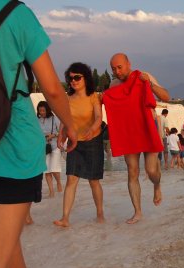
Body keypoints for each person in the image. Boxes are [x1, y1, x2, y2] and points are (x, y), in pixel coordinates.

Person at [0, 1, 77, 268]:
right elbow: (51, 88)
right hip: (10, 147)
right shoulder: (14, 13)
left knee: (4, 243)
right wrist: (70, 125)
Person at [104, 53, 169, 224]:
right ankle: (138, 212)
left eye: (119, 67)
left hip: (147, 127)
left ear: (128, 64)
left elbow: (166, 97)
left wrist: (150, 84)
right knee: (132, 171)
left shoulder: (143, 76)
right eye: (113, 69)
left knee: (151, 170)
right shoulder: (114, 84)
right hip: (128, 131)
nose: (117, 71)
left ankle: (157, 185)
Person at [54, 62, 104, 227]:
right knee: (71, 180)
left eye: (77, 77)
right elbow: (65, 120)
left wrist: (92, 129)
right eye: (70, 78)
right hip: (75, 143)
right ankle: (65, 218)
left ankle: (100, 213)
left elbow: (98, 117)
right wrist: (61, 135)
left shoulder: (93, 97)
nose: (73, 81)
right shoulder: (68, 99)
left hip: (93, 142)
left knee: (93, 181)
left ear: (85, 78)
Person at [37, 101, 62, 198]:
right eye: (40, 111)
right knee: (46, 171)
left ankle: (59, 183)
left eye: (43, 110)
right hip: (43, 147)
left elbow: (61, 131)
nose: (42, 112)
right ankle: (51, 192)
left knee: (54, 170)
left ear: (47, 110)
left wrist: (53, 135)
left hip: (54, 146)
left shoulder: (54, 118)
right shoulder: (37, 120)